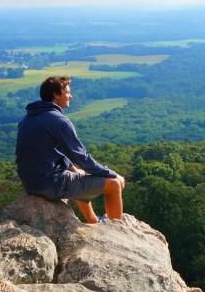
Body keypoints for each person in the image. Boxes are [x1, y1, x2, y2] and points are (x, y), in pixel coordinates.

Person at [15, 76, 125, 223]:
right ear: (56, 94)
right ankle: (117, 228)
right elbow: (82, 157)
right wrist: (112, 174)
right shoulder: (58, 120)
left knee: (77, 172)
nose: (71, 96)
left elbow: (53, 152)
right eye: (67, 92)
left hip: (30, 183)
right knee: (114, 184)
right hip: (49, 184)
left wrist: (73, 168)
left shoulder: (28, 118)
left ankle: (93, 220)